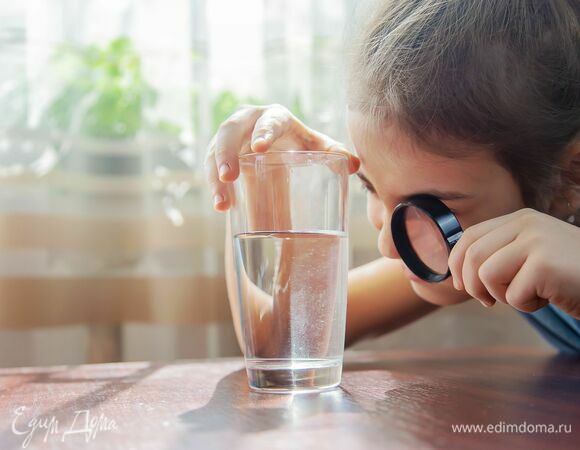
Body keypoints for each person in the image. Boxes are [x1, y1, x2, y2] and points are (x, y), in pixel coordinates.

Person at [205, 0, 580, 354]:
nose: (388, 246)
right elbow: (282, 334)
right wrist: (252, 173)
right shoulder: (448, 243)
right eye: (369, 185)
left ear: (570, 176)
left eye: (431, 207)